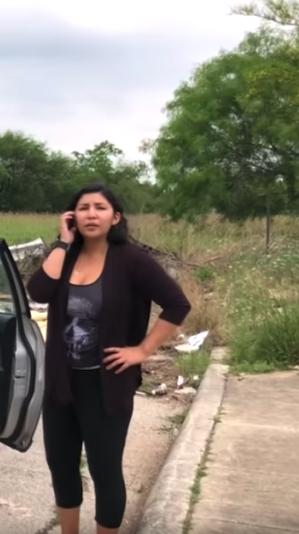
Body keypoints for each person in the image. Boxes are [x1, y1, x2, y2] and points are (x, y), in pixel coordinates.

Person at [27, 183, 191, 534]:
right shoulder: (66, 256)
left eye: (100, 207)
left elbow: (178, 304)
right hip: (61, 381)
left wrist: (142, 350)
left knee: (104, 469)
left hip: (106, 385)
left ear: (115, 217)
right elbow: (38, 292)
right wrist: (62, 243)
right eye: (83, 207)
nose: (91, 214)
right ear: (71, 217)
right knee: (61, 464)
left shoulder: (131, 260)